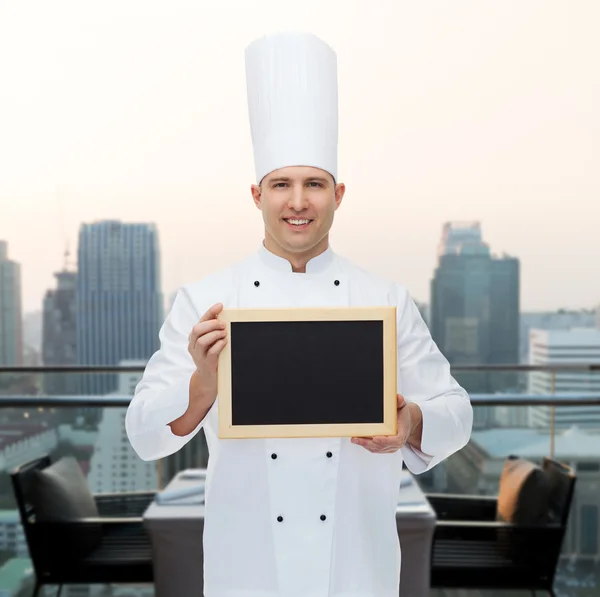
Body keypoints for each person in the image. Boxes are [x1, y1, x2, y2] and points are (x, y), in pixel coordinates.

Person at [126, 31, 473, 597]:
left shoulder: (384, 298)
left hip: (357, 568)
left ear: (338, 193)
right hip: (248, 566)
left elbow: (457, 412)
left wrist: (409, 423)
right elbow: (144, 435)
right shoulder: (205, 300)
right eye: (281, 184)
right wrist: (201, 388)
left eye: (313, 184)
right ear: (256, 195)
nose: (297, 202)